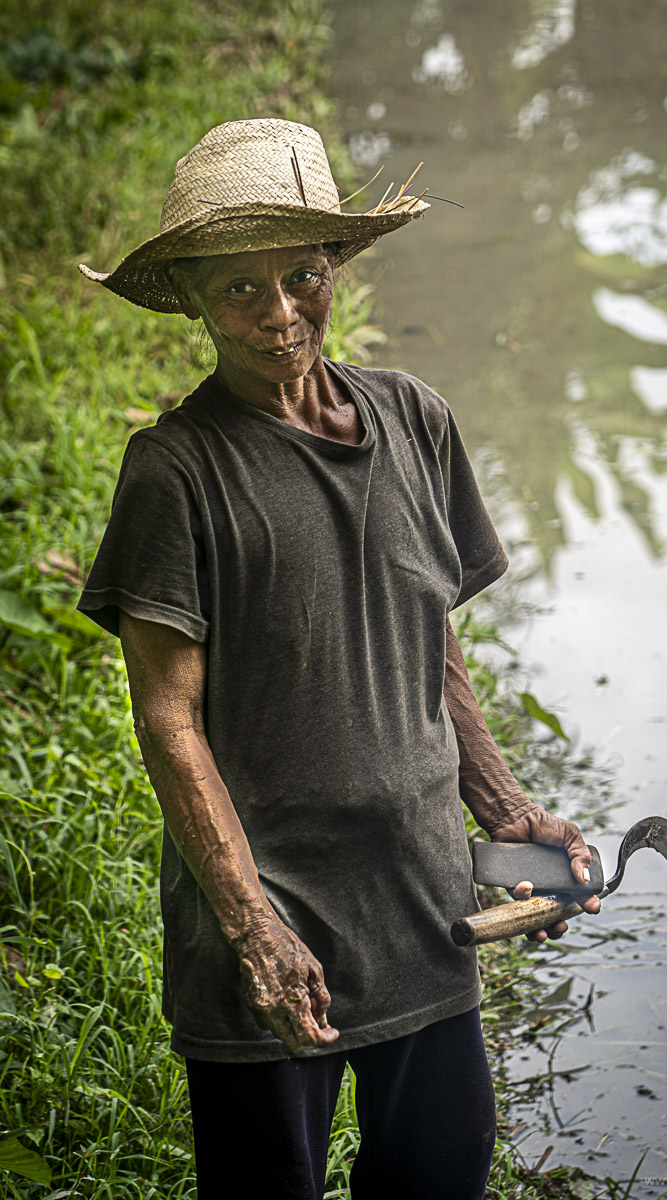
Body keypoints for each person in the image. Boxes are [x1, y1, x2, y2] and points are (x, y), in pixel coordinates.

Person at [77, 119, 600, 1199]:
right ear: (188, 298)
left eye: (301, 276)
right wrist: (249, 924)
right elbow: (167, 718)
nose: (277, 314)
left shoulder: (412, 418)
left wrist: (503, 809)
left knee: (442, 1167)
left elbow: (428, 634)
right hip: (275, 912)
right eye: (238, 289)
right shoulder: (175, 471)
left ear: (336, 270)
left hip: (419, 896)